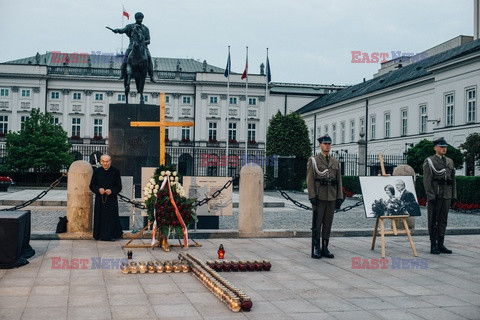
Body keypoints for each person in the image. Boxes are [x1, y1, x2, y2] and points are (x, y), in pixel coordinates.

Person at [306, 134, 344, 259]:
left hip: (331, 196)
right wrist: (312, 195)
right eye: (325, 144)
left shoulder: (335, 161)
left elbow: (339, 180)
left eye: (329, 144)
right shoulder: (314, 160)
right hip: (319, 196)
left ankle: (325, 247)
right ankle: (316, 247)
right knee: (317, 223)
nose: (327, 146)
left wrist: (339, 197)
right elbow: (310, 179)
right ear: (320, 145)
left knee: (328, 223)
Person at [423, 137, 456, 254]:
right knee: (433, 220)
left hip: (446, 194)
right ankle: (433, 244)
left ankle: (441, 243)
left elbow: (453, 180)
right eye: (441, 147)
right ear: (435, 148)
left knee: (443, 220)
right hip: (435, 194)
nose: (444, 149)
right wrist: (430, 195)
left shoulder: (449, 161)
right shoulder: (430, 161)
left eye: (445, 147)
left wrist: (453, 196)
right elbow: (427, 180)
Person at [112, 12, 155, 82]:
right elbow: (122, 30)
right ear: (135, 18)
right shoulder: (130, 26)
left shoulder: (145, 29)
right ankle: (122, 74)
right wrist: (117, 30)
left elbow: (149, 40)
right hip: (132, 46)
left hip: (143, 47)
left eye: (141, 18)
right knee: (125, 57)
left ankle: (151, 75)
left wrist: (142, 43)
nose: (140, 20)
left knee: (149, 58)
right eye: (138, 18)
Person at [90, 154, 123, 241]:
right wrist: (98, 189)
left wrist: (111, 191)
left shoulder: (115, 171)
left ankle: (111, 235)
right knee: (99, 217)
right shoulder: (97, 171)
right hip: (100, 199)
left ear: (110, 162)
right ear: (100, 162)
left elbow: (119, 186)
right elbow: (92, 185)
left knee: (111, 217)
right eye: (103, 161)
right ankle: (99, 235)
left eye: (107, 161)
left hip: (111, 199)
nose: (105, 163)